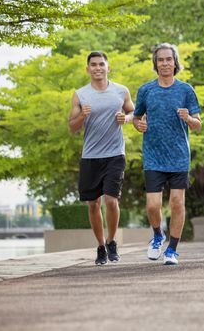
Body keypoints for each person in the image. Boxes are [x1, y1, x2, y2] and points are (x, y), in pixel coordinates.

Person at [133, 43, 202, 265]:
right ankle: (157, 236)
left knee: (177, 203)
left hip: (179, 156)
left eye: (168, 59)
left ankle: (172, 250)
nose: (164, 63)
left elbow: (198, 124)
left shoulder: (186, 90)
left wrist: (189, 119)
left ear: (175, 63)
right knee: (153, 205)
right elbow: (136, 117)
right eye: (160, 60)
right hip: (153, 155)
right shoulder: (146, 90)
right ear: (156, 63)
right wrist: (138, 125)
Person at [68, 51, 134, 265]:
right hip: (90, 156)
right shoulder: (80, 95)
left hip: (115, 154)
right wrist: (82, 116)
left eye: (101, 64)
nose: (97, 68)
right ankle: (100, 247)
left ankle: (112, 240)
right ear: (87, 69)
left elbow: (136, 114)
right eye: (93, 65)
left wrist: (127, 118)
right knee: (93, 204)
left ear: (108, 67)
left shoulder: (121, 91)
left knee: (111, 200)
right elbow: (72, 128)